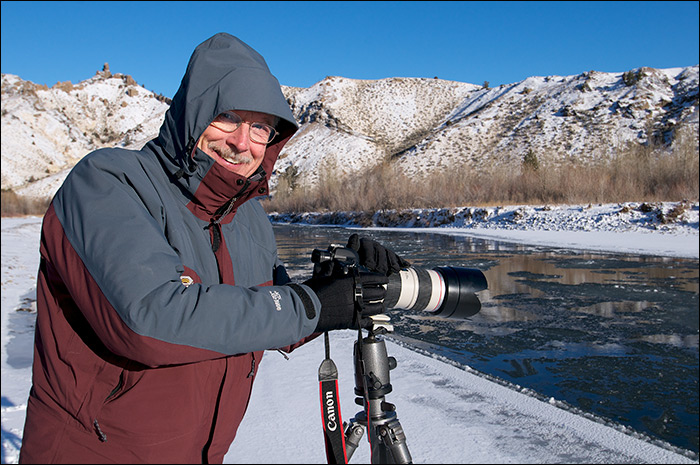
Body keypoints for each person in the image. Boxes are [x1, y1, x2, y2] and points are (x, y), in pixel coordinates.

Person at [18, 33, 408, 464]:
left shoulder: (249, 218)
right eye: (227, 117)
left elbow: (264, 313)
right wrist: (308, 305)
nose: (243, 142)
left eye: (260, 127)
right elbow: (151, 319)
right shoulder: (107, 183)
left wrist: (337, 288)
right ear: (192, 112)